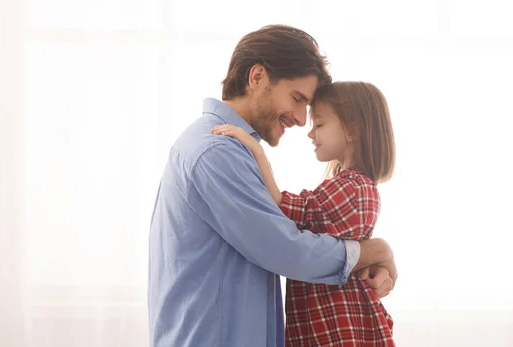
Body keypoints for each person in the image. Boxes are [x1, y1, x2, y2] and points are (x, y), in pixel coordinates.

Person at [148, 25, 397, 347]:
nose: (300, 119)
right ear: (257, 77)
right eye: (297, 99)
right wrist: (372, 250)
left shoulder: (224, 146)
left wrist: (369, 254)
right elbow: (285, 249)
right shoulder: (217, 151)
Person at [212, 81, 396, 346]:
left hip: (340, 329)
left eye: (319, 124)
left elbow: (284, 208)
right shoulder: (349, 185)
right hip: (327, 326)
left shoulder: (353, 188)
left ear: (352, 130)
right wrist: (380, 251)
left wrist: (255, 149)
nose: (311, 134)